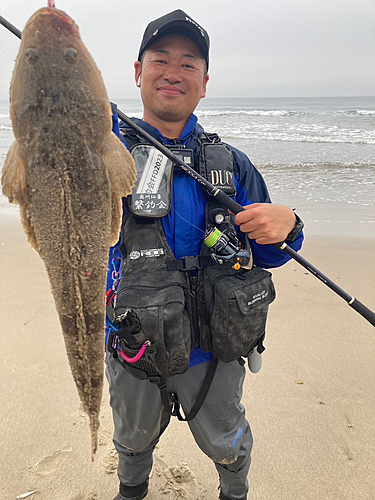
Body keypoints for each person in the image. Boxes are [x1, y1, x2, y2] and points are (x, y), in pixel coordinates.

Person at [105, 9, 304, 500]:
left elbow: (273, 254)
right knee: (132, 439)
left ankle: (233, 491)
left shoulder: (233, 165)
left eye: (189, 63)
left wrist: (291, 227)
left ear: (205, 82)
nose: (173, 72)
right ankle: (132, 490)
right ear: (137, 71)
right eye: (160, 59)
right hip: (131, 342)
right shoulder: (102, 154)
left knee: (228, 440)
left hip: (214, 351)